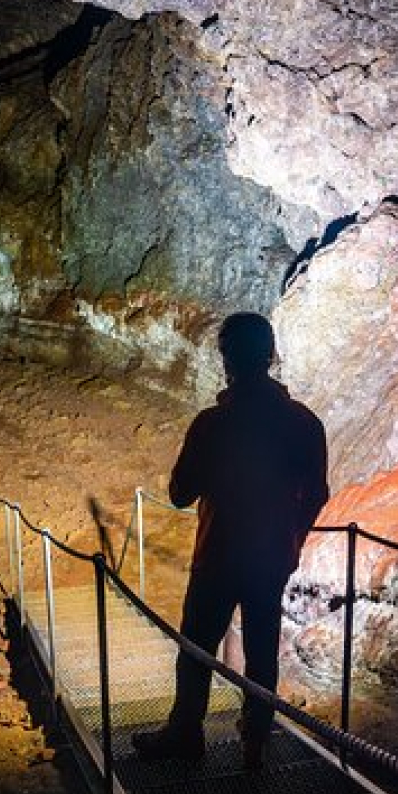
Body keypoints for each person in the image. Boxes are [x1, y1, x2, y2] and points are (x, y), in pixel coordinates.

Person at [132, 312, 328, 769]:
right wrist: (291, 540)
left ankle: (185, 733)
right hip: (270, 557)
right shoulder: (303, 423)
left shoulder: (213, 424)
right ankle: (256, 739)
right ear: (270, 354)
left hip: (218, 554)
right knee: (262, 652)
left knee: (197, 649)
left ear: (227, 360)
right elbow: (317, 494)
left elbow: (180, 494)